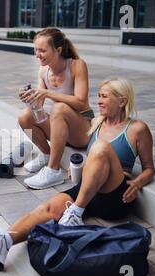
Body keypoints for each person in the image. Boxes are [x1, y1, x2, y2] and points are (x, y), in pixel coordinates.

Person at [0, 78, 155, 271]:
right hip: (89, 190)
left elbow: (149, 169)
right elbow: (76, 144)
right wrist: (82, 166)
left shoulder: (137, 129)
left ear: (122, 101)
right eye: (98, 96)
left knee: (100, 148)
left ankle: (74, 214)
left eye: (104, 96)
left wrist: (138, 182)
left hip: (116, 195)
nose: (98, 101)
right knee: (47, 208)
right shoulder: (97, 123)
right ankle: (4, 242)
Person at [18, 28, 94, 190]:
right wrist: (30, 99)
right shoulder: (43, 71)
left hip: (82, 130)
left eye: (42, 50)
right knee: (25, 116)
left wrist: (47, 93)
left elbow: (81, 103)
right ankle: (46, 154)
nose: (37, 54)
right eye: (36, 50)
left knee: (59, 108)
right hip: (60, 126)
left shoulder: (77, 66)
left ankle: (53, 171)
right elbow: (39, 108)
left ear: (58, 50)